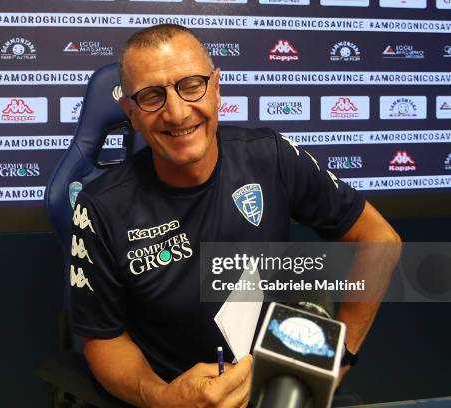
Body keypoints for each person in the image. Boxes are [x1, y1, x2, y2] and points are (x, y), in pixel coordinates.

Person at [69, 24, 401, 407]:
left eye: (191, 85)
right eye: (151, 97)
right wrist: (162, 398)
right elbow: (103, 338)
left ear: (216, 87)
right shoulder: (100, 207)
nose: (177, 113)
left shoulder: (270, 156)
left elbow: (379, 239)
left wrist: (339, 359)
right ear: (130, 111)